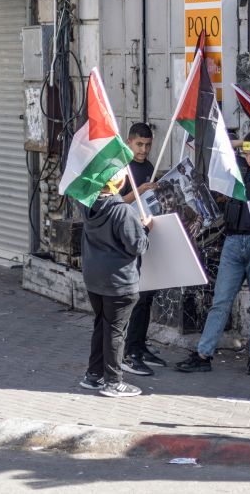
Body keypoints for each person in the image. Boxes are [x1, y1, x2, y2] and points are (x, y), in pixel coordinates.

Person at [176, 131, 250, 376]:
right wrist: (241, 144)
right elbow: (202, 144)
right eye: (246, 153)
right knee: (221, 302)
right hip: (233, 241)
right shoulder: (238, 167)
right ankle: (204, 354)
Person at [79, 167, 152, 398]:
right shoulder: (123, 211)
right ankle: (113, 381)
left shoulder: (87, 205)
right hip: (119, 281)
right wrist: (145, 229)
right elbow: (137, 246)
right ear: (119, 183)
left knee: (102, 325)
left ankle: (94, 375)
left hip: (94, 278)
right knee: (116, 331)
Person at [120, 123, 166, 376]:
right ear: (129, 142)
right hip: (127, 240)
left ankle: (139, 346)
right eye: (139, 144)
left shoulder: (148, 167)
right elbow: (113, 202)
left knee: (148, 295)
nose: (144, 150)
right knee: (136, 298)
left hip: (147, 235)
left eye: (148, 145)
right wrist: (138, 192)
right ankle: (128, 351)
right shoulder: (121, 168)